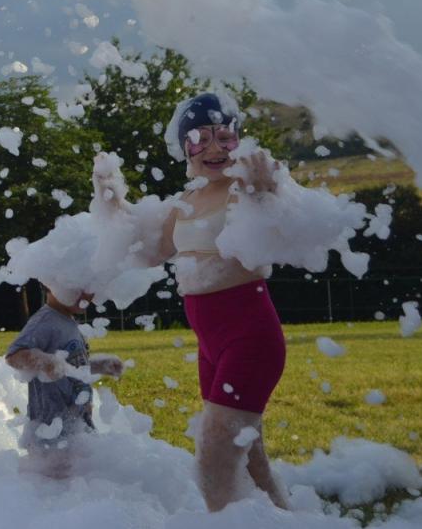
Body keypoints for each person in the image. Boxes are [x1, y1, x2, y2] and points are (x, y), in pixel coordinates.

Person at [94, 92, 290, 511]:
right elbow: (150, 251)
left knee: (215, 454)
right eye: (201, 137)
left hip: (250, 338)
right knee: (248, 456)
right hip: (211, 345)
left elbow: (282, 233)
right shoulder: (186, 201)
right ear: (185, 146)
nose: (215, 148)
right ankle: (286, 518)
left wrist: (265, 195)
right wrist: (112, 200)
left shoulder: (246, 188)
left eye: (224, 136)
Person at [5, 287, 122, 477]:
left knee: (84, 481)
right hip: (50, 434)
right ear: (51, 283)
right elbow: (14, 356)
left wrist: (100, 365)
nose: (87, 294)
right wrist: (46, 362)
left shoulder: (67, 320)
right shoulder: (44, 321)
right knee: (57, 486)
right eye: (77, 286)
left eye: (90, 287)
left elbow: (72, 367)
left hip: (76, 426)